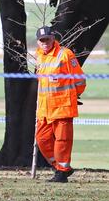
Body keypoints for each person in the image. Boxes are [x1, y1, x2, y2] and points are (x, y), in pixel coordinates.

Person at [34, 26, 85, 183]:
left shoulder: (65, 55)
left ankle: (62, 172)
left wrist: (73, 95)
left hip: (63, 106)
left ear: (53, 38)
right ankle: (59, 166)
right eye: (42, 40)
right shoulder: (39, 56)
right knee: (41, 139)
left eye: (47, 39)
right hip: (44, 108)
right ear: (38, 42)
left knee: (62, 141)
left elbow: (80, 80)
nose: (45, 43)